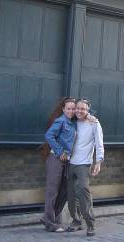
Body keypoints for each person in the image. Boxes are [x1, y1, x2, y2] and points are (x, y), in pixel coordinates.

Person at [67, 98, 104, 237]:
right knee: (71, 195)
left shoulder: (94, 123)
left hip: (83, 164)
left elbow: (99, 143)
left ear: (88, 110)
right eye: (78, 108)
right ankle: (76, 221)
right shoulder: (72, 122)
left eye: (83, 109)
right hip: (70, 163)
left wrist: (98, 162)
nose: (79, 111)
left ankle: (90, 224)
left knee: (83, 192)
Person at [42, 97, 77, 232]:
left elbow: (86, 111)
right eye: (68, 108)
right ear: (63, 109)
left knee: (65, 190)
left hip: (67, 161)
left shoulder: (74, 123)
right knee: (52, 191)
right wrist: (59, 151)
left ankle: (49, 217)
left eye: (73, 108)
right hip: (55, 159)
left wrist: (91, 117)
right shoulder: (61, 121)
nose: (71, 111)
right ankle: (50, 223)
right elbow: (49, 136)